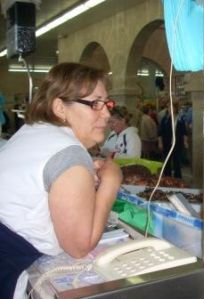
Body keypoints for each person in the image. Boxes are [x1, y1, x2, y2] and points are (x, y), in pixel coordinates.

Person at [0, 62, 122, 299]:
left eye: (107, 103)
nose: (106, 114)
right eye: (94, 104)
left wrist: (83, 177)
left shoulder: (31, 132)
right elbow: (78, 245)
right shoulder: (69, 153)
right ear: (60, 107)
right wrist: (111, 183)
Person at [158, 102, 187, 178]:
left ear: (175, 108)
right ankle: (167, 177)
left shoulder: (180, 118)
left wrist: (185, 142)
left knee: (177, 162)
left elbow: (184, 132)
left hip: (177, 144)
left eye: (171, 107)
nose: (170, 109)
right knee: (167, 162)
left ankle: (177, 178)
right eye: (168, 107)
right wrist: (160, 143)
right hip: (167, 143)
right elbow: (160, 132)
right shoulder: (165, 119)